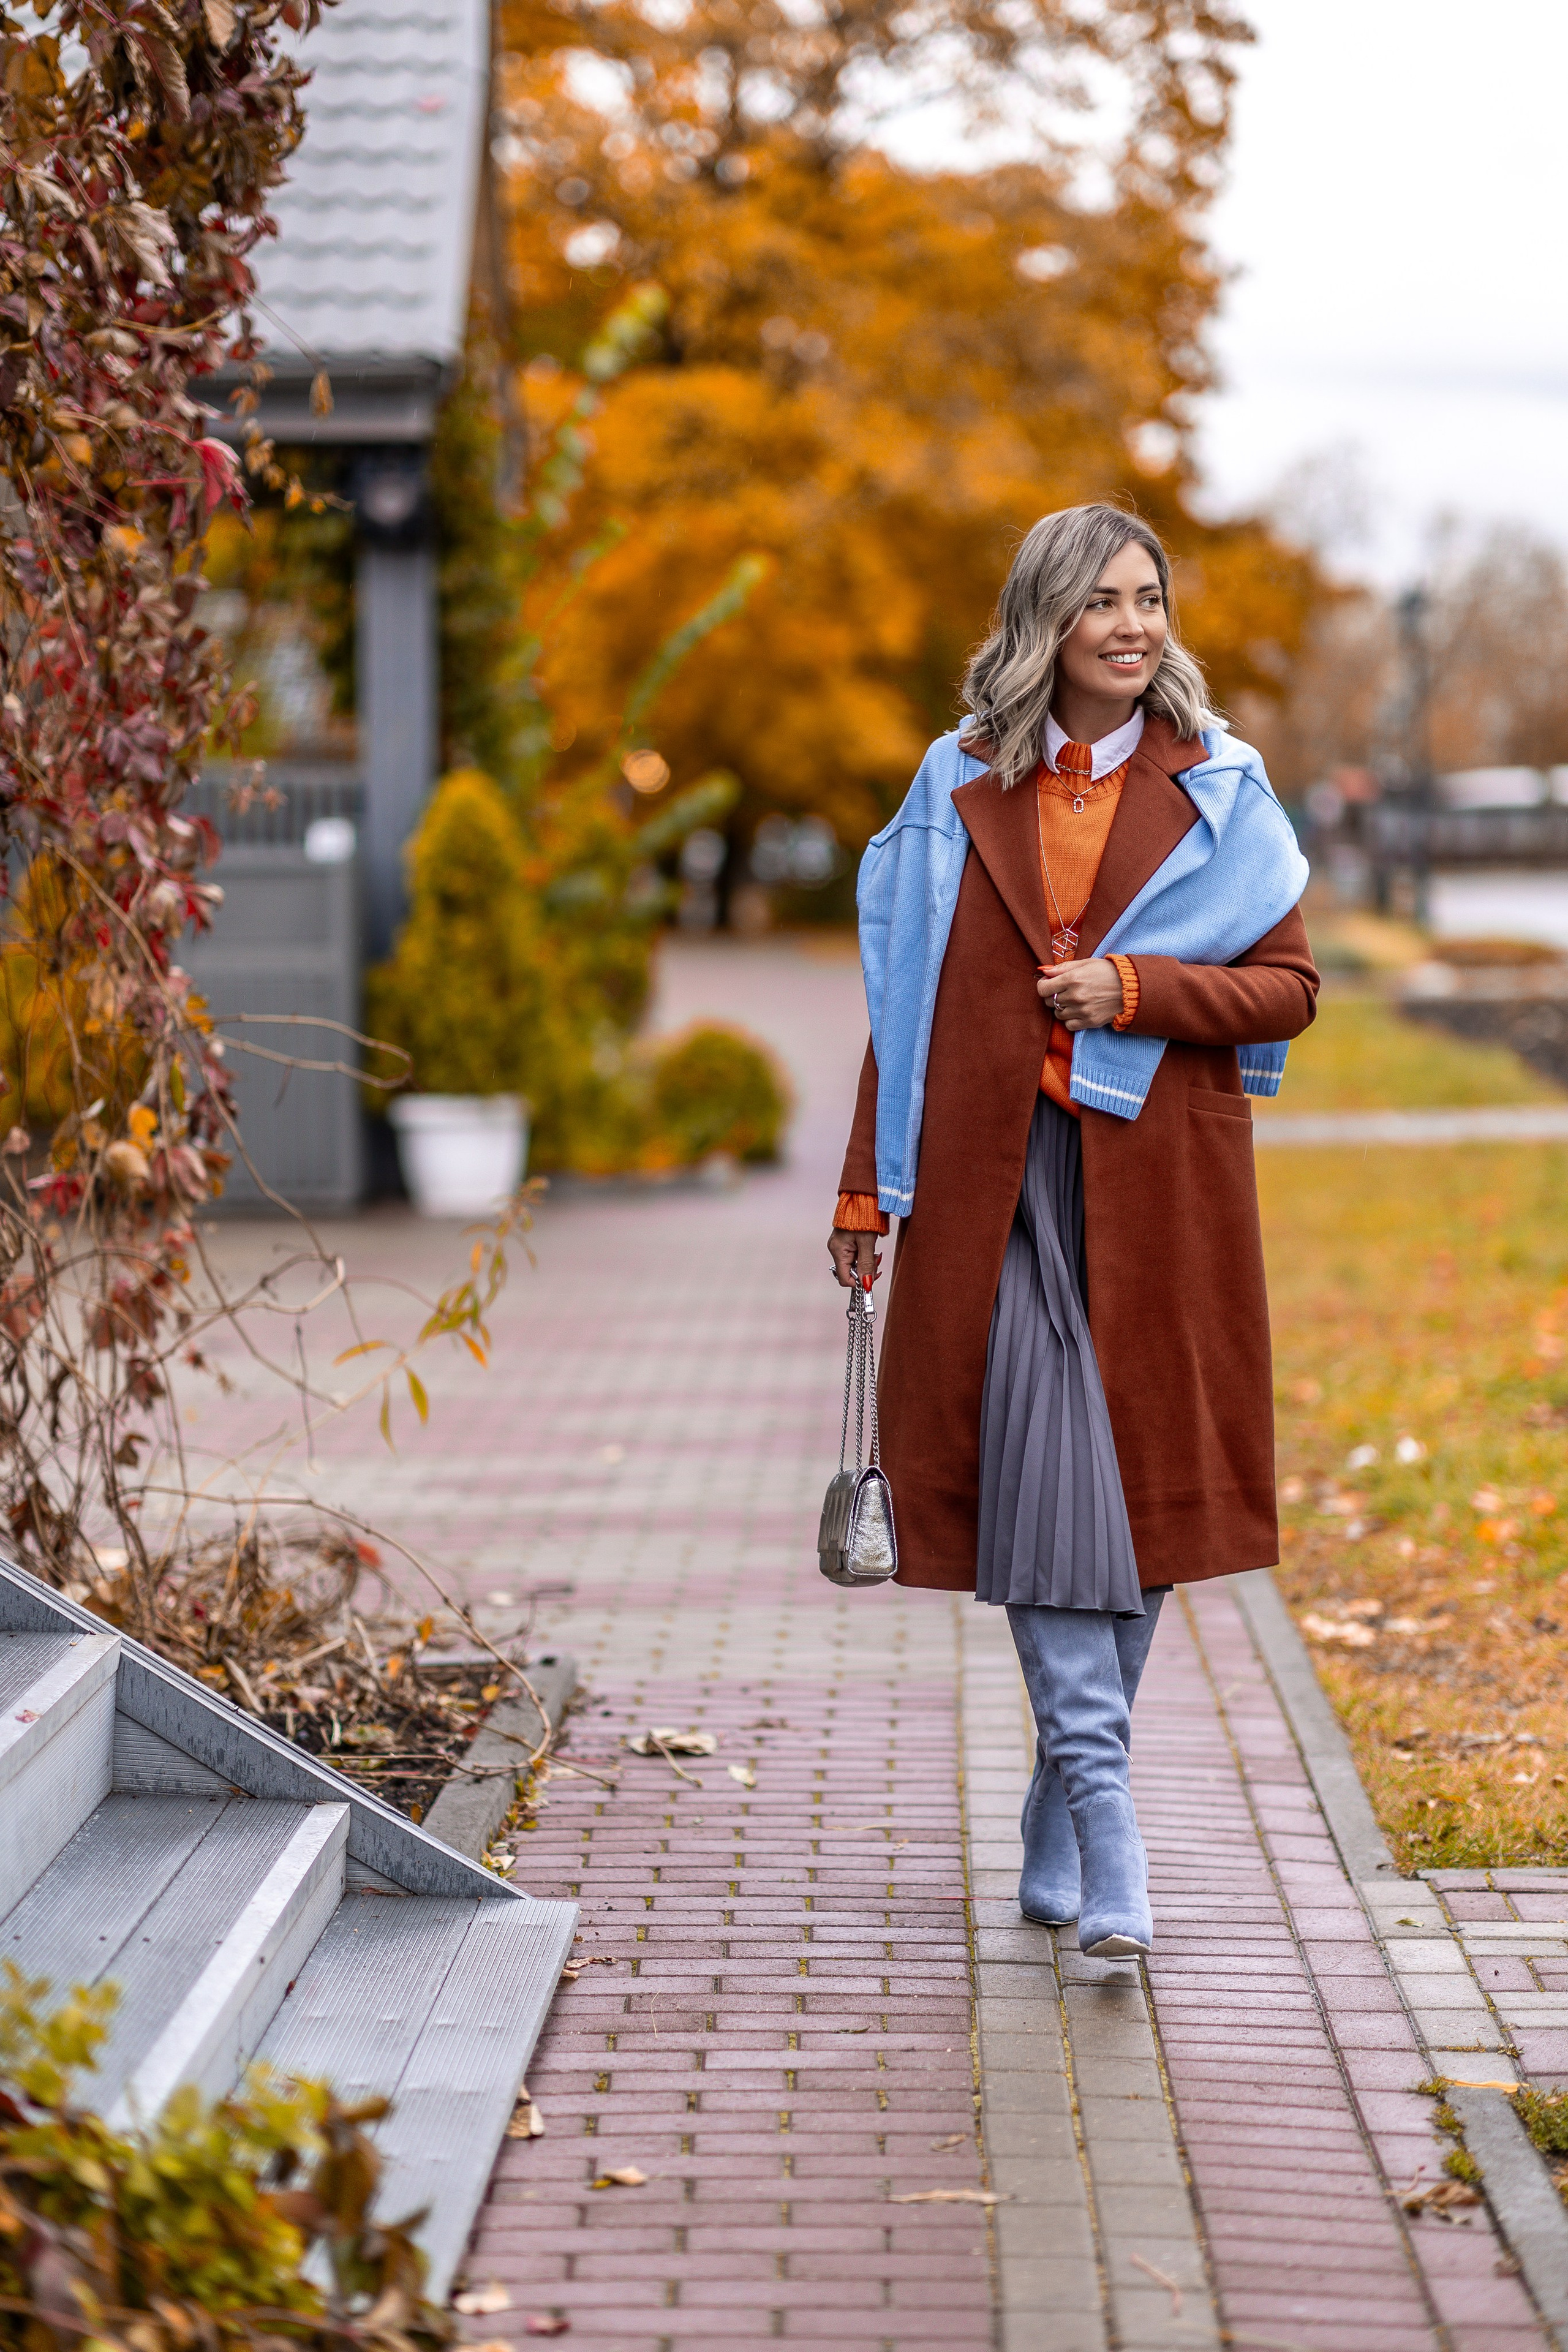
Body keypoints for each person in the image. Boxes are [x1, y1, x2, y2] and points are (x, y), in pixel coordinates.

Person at [828, 503, 1318, 1959]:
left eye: (1149, 598)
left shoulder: (1222, 789)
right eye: (1100, 599)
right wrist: (868, 1183)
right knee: (1044, 1495)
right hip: (993, 1194)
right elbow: (900, 1002)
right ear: (1043, 618)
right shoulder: (957, 782)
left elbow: (1287, 990)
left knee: (1142, 1513)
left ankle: (1052, 1814)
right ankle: (1109, 1823)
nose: (1131, 624)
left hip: (1157, 1191)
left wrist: (1137, 991)